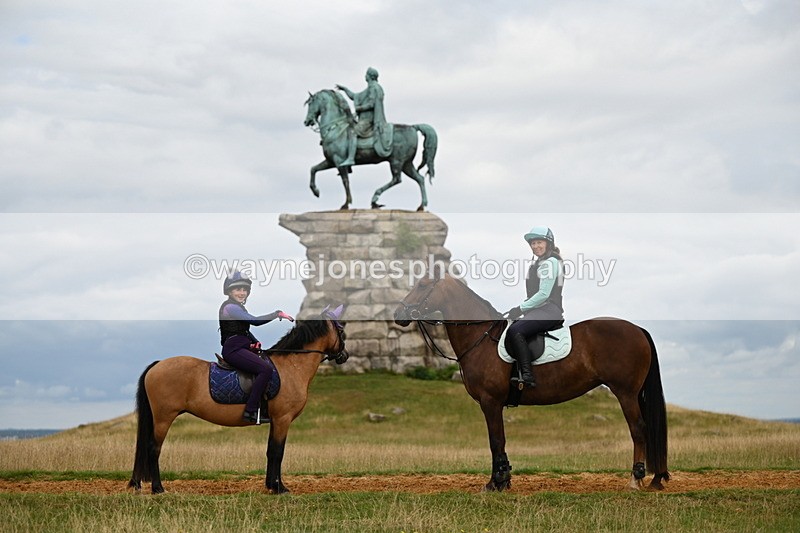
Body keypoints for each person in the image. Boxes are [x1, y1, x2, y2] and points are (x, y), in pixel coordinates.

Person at [219, 271, 294, 424]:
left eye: (244, 289)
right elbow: (254, 321)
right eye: (237, 289)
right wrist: (276, 314)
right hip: (233, 350)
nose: (242, 293)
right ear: (229, 291)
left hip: (241, 347)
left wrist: (254, 342)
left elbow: (244, 331)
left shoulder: (238, 308)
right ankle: (251, 411)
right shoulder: (230, 307)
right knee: (265, 369)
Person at [504, 226, 565, 388]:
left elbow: (543, 294)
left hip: (550, 310)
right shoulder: (538, 263)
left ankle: (527, 376)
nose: (535, 246)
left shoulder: (550, 262)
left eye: (539, 242)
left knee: (515, 331)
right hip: (539, 310)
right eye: (533, 243)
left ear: (548, 243)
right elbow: (534, 296)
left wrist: (520, 308)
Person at [336, 67, 393, 165]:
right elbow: (355, 96)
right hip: (364, 120)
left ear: (370, 76)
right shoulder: (370, 88)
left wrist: (359, 108)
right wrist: (345, 89)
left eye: (366, 74)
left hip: (368, 120)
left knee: (352, 132)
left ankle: (350, 158)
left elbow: (371, 104)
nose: (365, 76)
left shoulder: (374, 88)